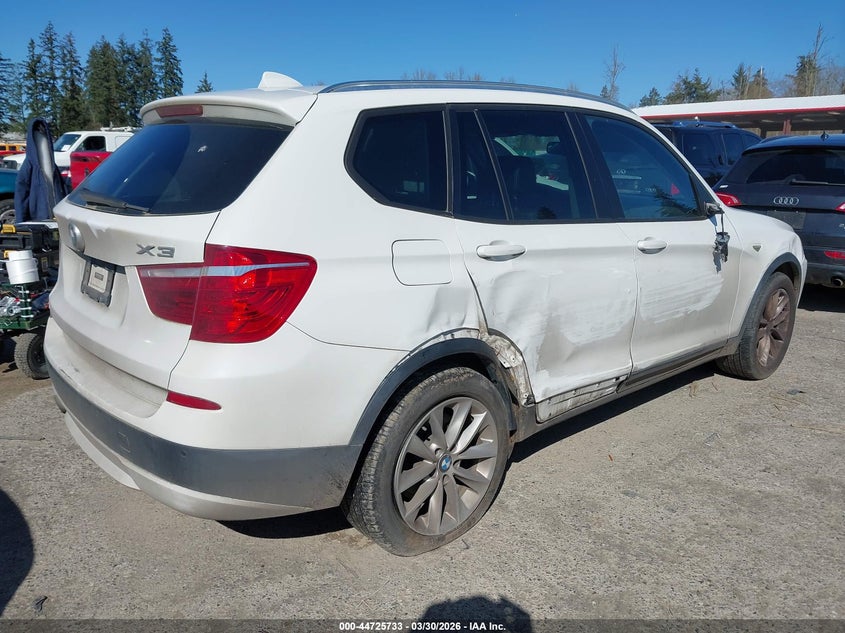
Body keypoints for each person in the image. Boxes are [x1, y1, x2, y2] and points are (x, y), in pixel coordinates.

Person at [13, 118, 68, 223]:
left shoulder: (53, 166)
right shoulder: (29, 165)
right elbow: (21, 193)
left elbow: (63, 187)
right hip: (39, 216)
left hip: (56, 214)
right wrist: (21, 221)